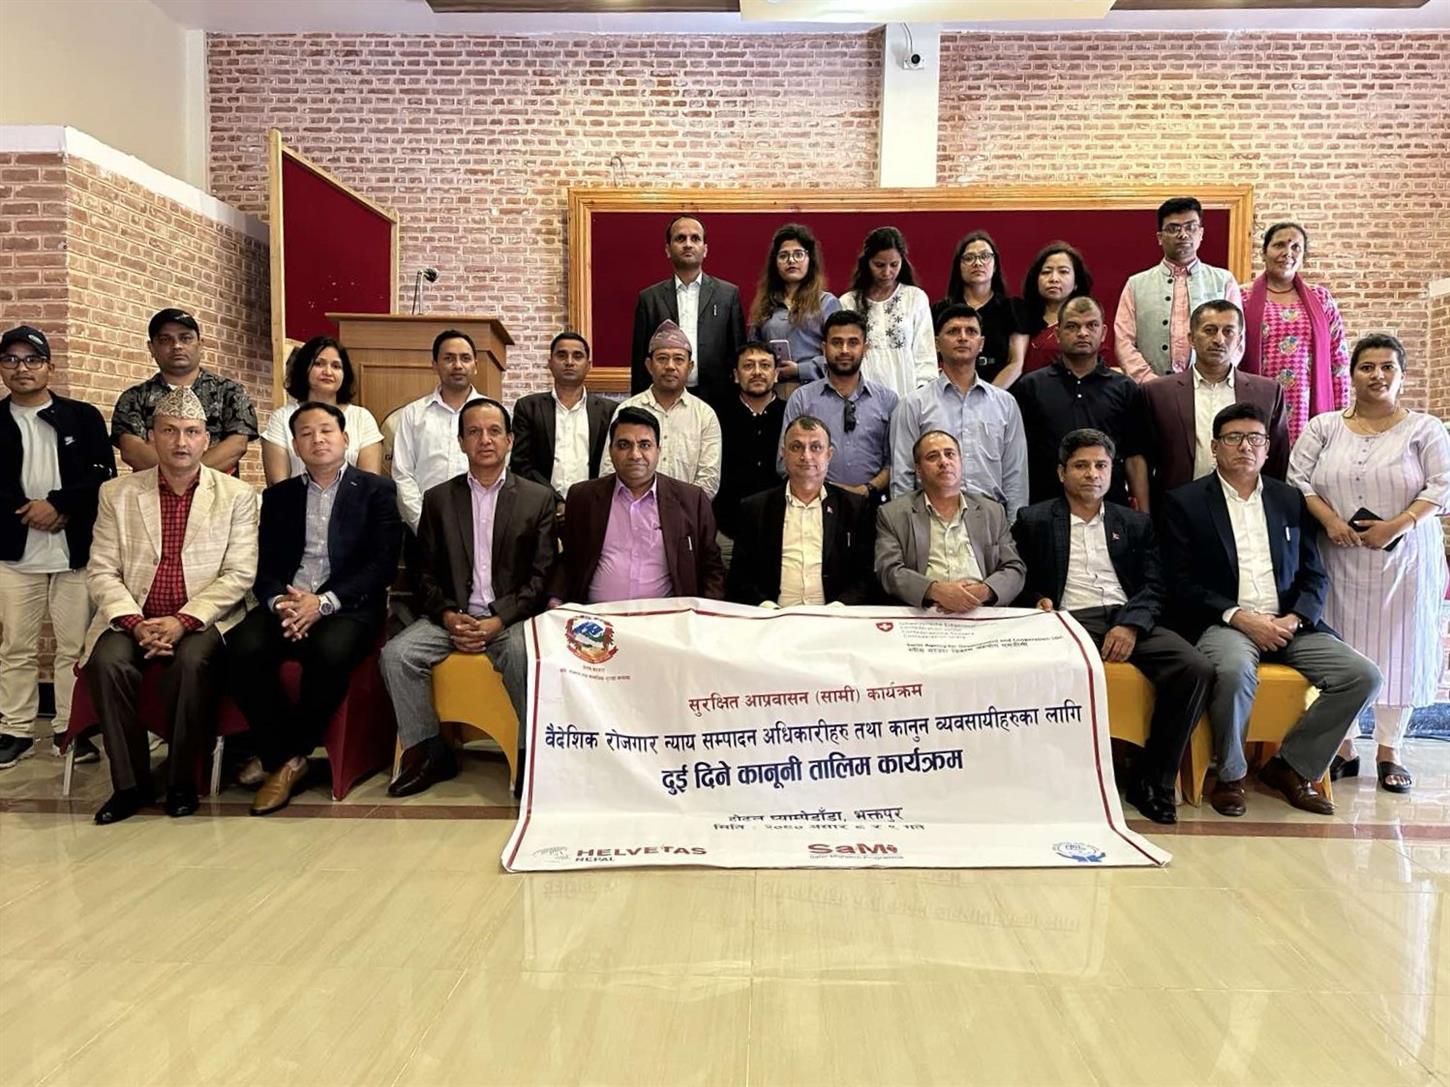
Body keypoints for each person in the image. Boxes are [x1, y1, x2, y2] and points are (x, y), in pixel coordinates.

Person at [1162, 402, 1381, 818]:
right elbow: (1180, 582)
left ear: (1267, 448)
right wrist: (1241, 618)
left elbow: (1314, 575)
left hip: (1289, 623)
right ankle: (1230, 776)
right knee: (1232, 671)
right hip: (1226, 622)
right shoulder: (1185, 502)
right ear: (1215, 446)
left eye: (1255, 438)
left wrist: (1294, 619)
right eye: (1234, 438)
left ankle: (1290, 767)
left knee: (1363, 675)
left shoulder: (1289, 500)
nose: (1245, 446)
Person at [1012, 429, 1213, 825]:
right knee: (1044, 667)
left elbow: (1155, 585)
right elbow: (1019, 578)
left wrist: (1131, 625)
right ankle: (1056, 778)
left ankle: (1153, 778)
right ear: (1062, 472)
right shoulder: (1034, 520)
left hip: (1127, 616)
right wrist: (1036, 600)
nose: (1092, 474)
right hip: (1070, 620)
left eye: (1101, 465)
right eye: (1081, 466)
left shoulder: (1134, 522)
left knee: (1195, 667)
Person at [82, 388, 259, 825]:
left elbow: (239, 574)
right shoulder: (117, 493)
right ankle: (129, 786)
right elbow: (101, 570)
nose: (181, 442)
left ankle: (182, 782)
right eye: (170, 431)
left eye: (192, 432)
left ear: (206, 439)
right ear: (152, 436)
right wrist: (135, 623)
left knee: (192, 663)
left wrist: (183, 621)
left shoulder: (237, 495)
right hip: (133, 618)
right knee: (106, 663)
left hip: (203, 620)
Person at [1289, 334, 1449, 794]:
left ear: (1402, 376)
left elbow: (1442, 485)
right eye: (1367, 367)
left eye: (1387, 367)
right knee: (1344, 649)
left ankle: (1390, 750)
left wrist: (1396, 525)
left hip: (1404, 561)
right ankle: (1343, 747)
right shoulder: (1324, 427)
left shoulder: (1424, 429)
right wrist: (1329, 520)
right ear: (1352, 374)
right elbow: (1297, 479)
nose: (1377, 375)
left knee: (1401, 649)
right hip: (1337, 557)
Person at [228, 402, 403, 815]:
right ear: (294, 446)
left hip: (348, 606)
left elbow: (381, 564)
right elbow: (264, 566)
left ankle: (282, 759)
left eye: (326, 430)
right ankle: (287, 757)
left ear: (345, 439)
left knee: (328, 652)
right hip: (288, 602)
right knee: (239, 648)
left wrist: (322, 603)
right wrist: (280, 603)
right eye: (306, 433)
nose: (317, 439)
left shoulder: (376, 490)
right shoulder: (279, 497)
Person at [381, 397, 556, 798]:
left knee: (523, 656)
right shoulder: (439, 499)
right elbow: (424, 573)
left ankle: (531, 755)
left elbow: (540, 576)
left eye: (494, 431)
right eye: (474, 432)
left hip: (510, 619)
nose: (485, 440)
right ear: (460, 442)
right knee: (397, 656)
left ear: (510, 440)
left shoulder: (536, 498)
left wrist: (498, 619)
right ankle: (429, 752)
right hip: (451, 617)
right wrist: (447, 615)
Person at [0, 326, 115, 769]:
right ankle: (15, 729)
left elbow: (102, 476)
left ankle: (72, 729)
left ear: (50, 366)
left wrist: (60, 506)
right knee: (16, 646)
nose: (22, 368)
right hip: (14, 552)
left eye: (32, 359)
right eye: (11, 360)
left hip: (73, 550)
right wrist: (30, 511)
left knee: (74, 646)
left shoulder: (82, 417)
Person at [550, 408, 725, 605]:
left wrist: (706, 613)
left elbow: (711, 567)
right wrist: (556, 598)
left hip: (669, 617)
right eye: (624, 445)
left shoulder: (691, 500)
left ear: (658, 450)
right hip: (597, 616)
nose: (635, 455)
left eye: (645, 445)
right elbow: (569, 559)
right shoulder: (583, 497)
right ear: (611, 451)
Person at [1142, 299, 1289, 502]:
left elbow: (1278, 458)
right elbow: (1143, 459)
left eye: (1228, 332)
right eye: (1209, 330)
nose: (1219, 340)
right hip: (1177, 506)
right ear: (1191, 338)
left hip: (1247, 505)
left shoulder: (1267, 392)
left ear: (1239, 339)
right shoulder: (1157, 393)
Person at [890, 305, 1028, 519]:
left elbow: (1015, 476)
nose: (963, 338)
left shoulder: (1005, 404)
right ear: (937, 343)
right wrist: (908, 526)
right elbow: (902, 476)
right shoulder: (913, 404)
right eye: (953, 331)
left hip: (992, 520)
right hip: (931, 519)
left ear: (981, 344)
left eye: (971, 331)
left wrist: (1013, 527)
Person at [1011, 297, 1149, 510]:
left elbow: (1135, 457)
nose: (1083, 333)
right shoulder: (1030, 387)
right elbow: (1018, 457)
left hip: (1110, 509)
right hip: (1045, 508)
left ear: (1103, 333)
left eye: (1091, 325)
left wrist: (1144, 516)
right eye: (1072, 326)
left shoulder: (1125, 389)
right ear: (1057, 334)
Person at [726, 416, 876, 608]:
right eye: (796, 447)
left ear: (829, 454)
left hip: (835, 616)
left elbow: (865, 577)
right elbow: (740, 578)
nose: (806, 456)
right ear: (783, 453)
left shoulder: (854, 508)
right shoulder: (755, 508)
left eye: (816, 447)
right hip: (773, 616)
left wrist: (837, 610)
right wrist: (769, 610)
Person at [876, 430, 1025, 611]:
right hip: (925, 612)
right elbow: (889, 571)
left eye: (950, 454)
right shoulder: (893, 514)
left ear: (961, 462)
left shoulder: (992, 512)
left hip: (982, 610)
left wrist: (984, 592)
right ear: (918, 470)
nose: (944, 462)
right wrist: (935, 591)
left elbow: (1014, 568)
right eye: (932, 456)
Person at [1240, 221, 1351, 443]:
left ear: (1303, 256)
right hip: (1261, 400)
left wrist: (1343, 416)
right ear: (1264, 253)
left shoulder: (1321, 298)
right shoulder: (1243, 297)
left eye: (1295, 247)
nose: (1287, 253)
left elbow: (1338, 361)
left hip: (1308, 405)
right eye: (1279, 245)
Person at [111, 308, 258, 474]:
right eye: (165, 340)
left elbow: (236, 446)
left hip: (218, 489)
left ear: (200, 345)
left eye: (185, 338)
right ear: (152, 348)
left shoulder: (230, 392)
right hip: (150, 489)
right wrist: (177, 478)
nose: (177, 346)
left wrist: (188, 477)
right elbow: (132, 451)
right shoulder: (133, 398)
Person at [1115, 197, 1243, 384]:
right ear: (1160, 237)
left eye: (1190, 227)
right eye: (1173, 228)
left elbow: (1236, 338)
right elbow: (1124, 341)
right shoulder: (1136, 284)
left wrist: (1212, 380)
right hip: (1148, 391)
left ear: (1201, 233)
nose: (1183, 235)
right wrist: (1151, 383)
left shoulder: (1223, 281)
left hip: (1210, 387)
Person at [629, 214, 746, 406]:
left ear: (705, 249)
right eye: (680, 238)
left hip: (719, 400)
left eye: (695, 238)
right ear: (668, 250)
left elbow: (738, 353)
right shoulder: (650, 299)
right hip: (663, 399)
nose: (688, 244)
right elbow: (640, 361)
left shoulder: (727, 294)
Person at [779, 310, 896, 500]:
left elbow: (894, 463)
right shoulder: (802, 399)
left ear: (865, 349)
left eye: (853, 343)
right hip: (815, 503)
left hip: (872, 502)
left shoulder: (887, 400)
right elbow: (784, 461)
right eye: (837, 342)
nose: (844, 350)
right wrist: (829, 491)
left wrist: (866, 489)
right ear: (824, 348)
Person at [509, 330, 616, 512]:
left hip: (593, 509)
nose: (569, 362)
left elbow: (611, 465)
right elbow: (521, 464)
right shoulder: (529, 408)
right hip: (541, 509)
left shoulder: (608, 411)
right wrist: (556, 502)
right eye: (561, 355)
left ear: (588, 365)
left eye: (577, 356)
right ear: (550, 363)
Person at [391, 329, 485, 534]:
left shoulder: (494, 413)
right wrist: (423, 524)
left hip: (481, 527)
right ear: (434, 365)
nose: (458, 365)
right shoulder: (413, 414)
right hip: (424, 527)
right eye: (449, 358)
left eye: (465, 358)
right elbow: (402, 474)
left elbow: (504, 469)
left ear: (475, 365)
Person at [614, 320, 722, 498]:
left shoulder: (705, 415)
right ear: (649, 365)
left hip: (686, 511)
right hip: (631, 509)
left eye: (678, 359)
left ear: (690, 367)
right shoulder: (627, 410)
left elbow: (709, 479)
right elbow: (610, 469)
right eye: (662, 358)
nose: (670, 366)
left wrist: (679, 509)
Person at [260, 336, 383, 484]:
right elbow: (277, 484)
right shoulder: (282, 417)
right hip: (295, 499)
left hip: (353, 499)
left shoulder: (361, 417)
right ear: (304, 368)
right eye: (319, 364)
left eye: (336, 366)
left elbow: (370, 483)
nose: (328, 372)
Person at [838, 226, 936, 396]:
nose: (887, 272)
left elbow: (925, 353)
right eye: (879, 265)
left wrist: (923, 394)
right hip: (862, 394)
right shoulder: (848, 302)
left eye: (894, 265)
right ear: (867, 263)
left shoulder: (915, 298)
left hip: (908, 393)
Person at [713, 340, 787, 566]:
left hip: (783, 533)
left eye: (765, 365)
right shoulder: (715, 416)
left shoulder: (790, 414)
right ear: (736, 375)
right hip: (728, 532)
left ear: (776, 374)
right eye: (748, 366)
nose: (757, 372)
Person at [748, 222, 841, 384]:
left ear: (810, 259)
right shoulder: (765, 305)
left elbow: (839, 353)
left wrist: (800, 369)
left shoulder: (827, 303)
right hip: (773, 388)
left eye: (798, 254)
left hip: (816, 388)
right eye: (783, 256)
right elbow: (752, 350)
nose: (791, 260)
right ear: (775, 263)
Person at [931, 231, 1027, 388]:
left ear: (995, 265)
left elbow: (1016, 363)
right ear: (959, 266)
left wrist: (987, 397)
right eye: (969, 258)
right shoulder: (940, 310)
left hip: (1000, 394)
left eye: (985, 256)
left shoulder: (1013, 308)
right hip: (950, 393)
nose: (978, 263)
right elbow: (931, 360)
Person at [1020, 242, 1114, 374]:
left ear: (1076, 282)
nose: (1054, 279)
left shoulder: (1088, 323)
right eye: (1046, 272)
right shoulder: (1019, 318)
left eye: (1063, 272)